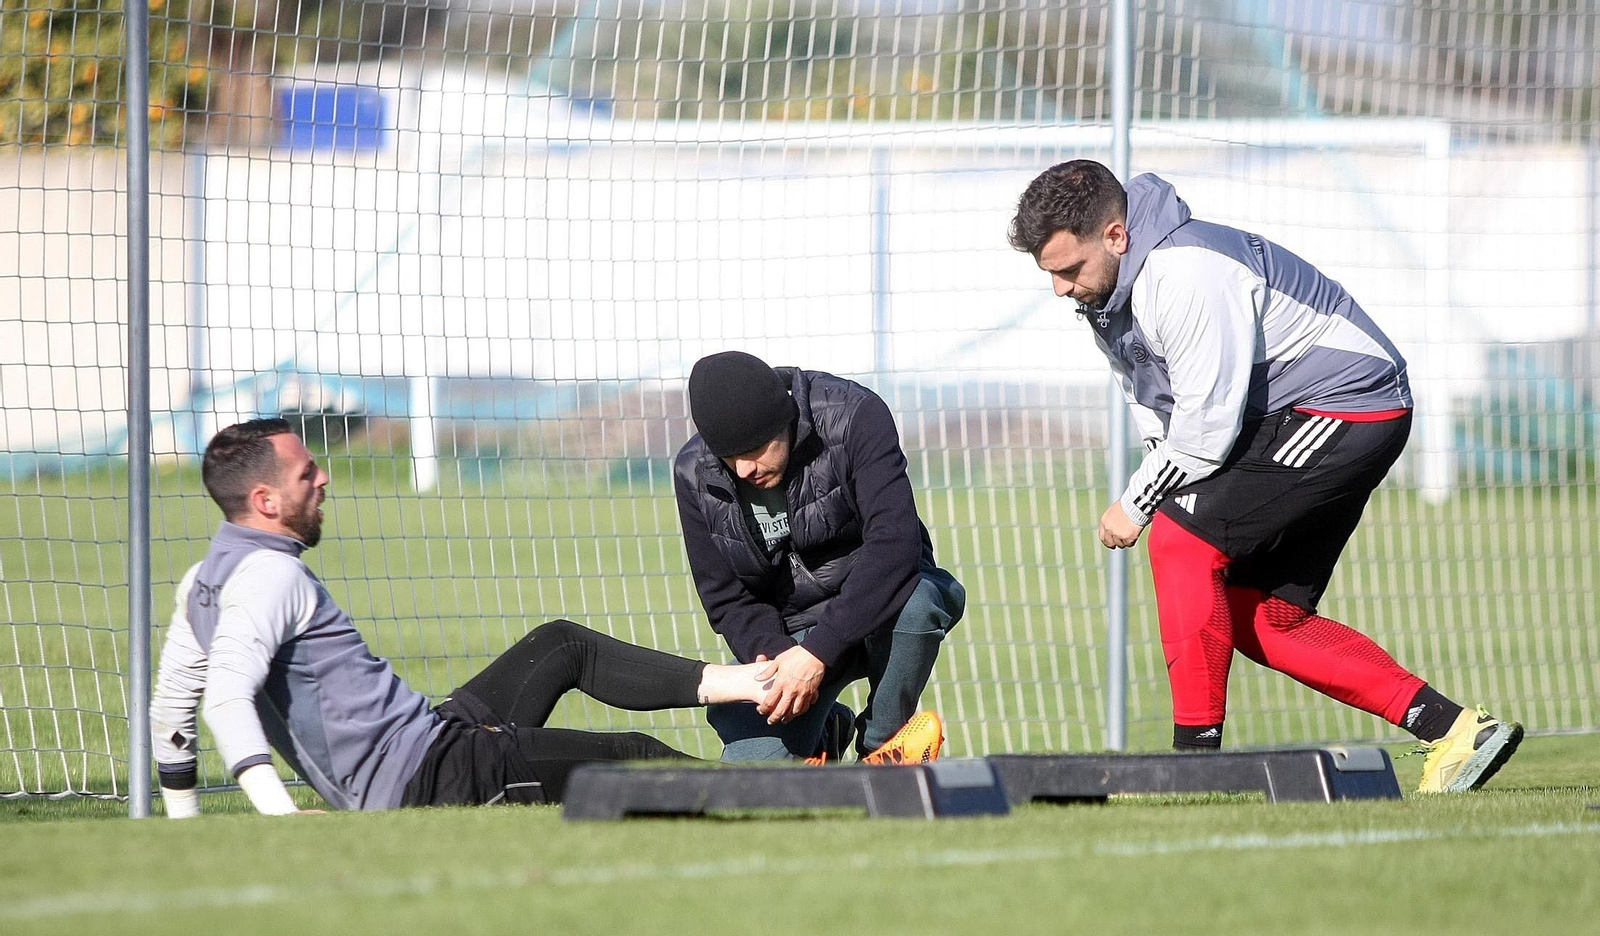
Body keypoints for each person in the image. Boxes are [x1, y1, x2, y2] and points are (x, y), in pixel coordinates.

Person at [1008, 159, 1522, 793]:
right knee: (1260, 614)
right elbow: (1157, 406)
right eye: (1050, 274)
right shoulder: (1109, 293)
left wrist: (1136, 502)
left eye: (1068, 270)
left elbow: (1204, 430)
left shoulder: (1184, 271)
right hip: (1305, 414)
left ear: (1115, 236)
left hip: (1347, 403)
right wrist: (1159, 479)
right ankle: (1456, 730)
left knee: (1178, 538)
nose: (1060, 288)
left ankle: (1194, 768)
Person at [149, 418, 782, 817]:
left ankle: (756, 683)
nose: (325, 479)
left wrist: (182, 822)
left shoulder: (201, 584)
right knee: (632, 757)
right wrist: (280, 819)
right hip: (430, 778)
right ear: (264, 499)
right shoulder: (271, 577)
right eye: (306, 472)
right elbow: (224, 700)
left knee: (561, 644)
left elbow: (170, 708)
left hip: (431, 735)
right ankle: (779, 801)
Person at [673, 350, 966, 762]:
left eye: (754, 449)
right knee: (754, 774)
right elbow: (726, 599)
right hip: (790, 638)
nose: (742, 471)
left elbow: (895, 546)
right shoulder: (692, 472)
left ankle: (880, 747)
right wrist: (783, 664)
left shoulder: (855, 416)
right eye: (728, 457)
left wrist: (820, 652)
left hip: (882, 606)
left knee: (917, 606)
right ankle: (828, 730)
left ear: (785, 420)